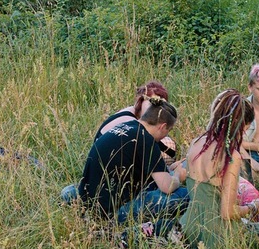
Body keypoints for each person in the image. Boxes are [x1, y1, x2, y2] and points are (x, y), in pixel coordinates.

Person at [180, 90, 259, 249]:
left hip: (190, 228)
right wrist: (253, 207)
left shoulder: (197, 142)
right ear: (237, 127)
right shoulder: (230, 156)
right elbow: (227, 212)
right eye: (244, 131)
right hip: (219, 237)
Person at [77, 97, 188, 227]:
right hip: (114, 211)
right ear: (162, 126)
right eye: (168, 130)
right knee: (187, 195)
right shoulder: (146, 139)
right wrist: (177, 176)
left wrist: (168, 169)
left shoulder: (126, 126)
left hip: (88, 201)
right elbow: (167, 187)